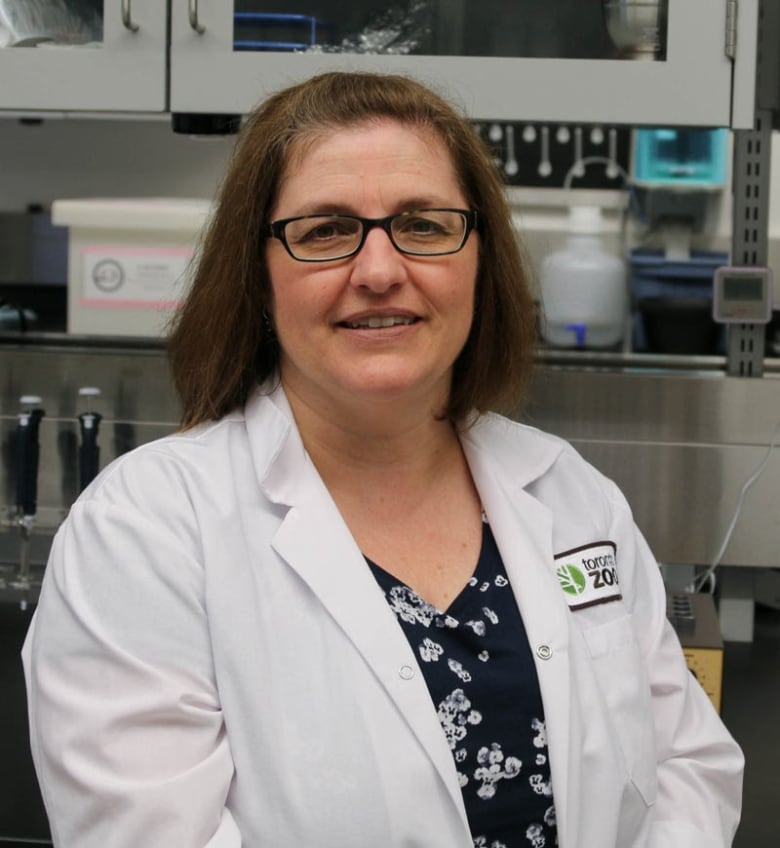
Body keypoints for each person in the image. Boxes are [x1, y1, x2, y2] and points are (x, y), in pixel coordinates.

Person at [23, 71, 743, 847]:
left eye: (424, 225)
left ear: (479, 260)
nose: (377, 270)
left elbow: (687, 766)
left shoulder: (571, 494)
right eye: (326, 230)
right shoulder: (143, 532)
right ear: (260, 276)